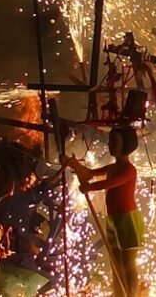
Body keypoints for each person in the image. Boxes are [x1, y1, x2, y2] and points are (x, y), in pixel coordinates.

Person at [63, 127, 145, 297]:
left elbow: (112, 183)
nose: (110, 145)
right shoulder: (112, 167)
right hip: (112, 219)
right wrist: (74, 165)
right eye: (110, 141)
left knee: (128, 264)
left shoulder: (129, 170)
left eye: (115, 141)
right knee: (116, 264)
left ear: (126, 145)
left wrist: (90, 187)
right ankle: (119, 294)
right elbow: (89, 174)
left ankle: (132, 295)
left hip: (127, 220)